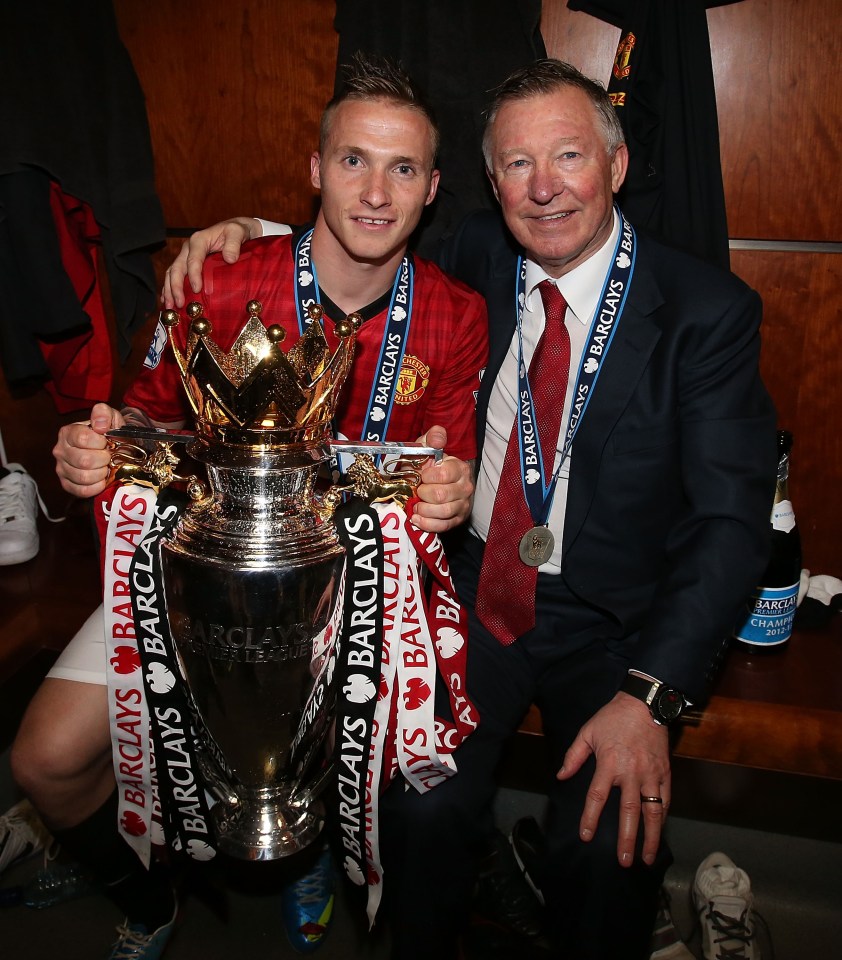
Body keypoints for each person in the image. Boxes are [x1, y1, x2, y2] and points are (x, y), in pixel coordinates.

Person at [164, 59, 777, 960]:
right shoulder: (480, 257)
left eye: (568, 156)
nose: (545, 188)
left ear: (616, 162)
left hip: (618, 626)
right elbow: (357, 234)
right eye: (517, 167)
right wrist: (242, 233)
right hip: (473, 598)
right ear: (490, 187)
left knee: (607, 844)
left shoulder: (705, 312)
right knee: (416, 805)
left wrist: (651, 695)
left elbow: (732, 524)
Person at [10, 52, 487, 960]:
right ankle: (148, 895)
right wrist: (87, 454)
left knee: (403, 771)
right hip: (199, 581)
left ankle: (312, 840)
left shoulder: (456, 313)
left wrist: (449, 491)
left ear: (433, 188)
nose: (376, 192)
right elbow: (136, 425)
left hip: (356, 596)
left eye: (403, 168)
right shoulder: (222, 278)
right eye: (354, 160)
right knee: (44, 760)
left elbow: (445, 467)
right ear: (315, 169)